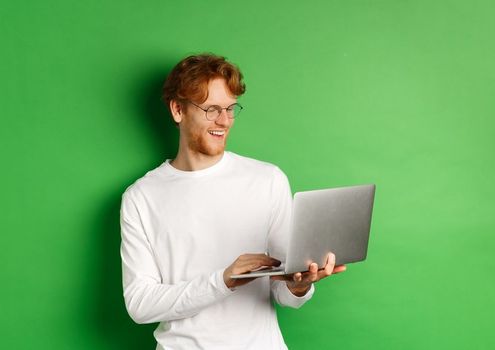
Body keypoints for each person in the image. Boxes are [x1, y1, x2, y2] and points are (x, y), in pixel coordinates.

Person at [120, 53, 346, 349]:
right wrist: (223, 280)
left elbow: (284, 291)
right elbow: (140, 305)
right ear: (177, 109)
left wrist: (299, 285)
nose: (224, 121)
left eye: (230, 108)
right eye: (212, 109)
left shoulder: (268, 179)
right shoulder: (141, 197)